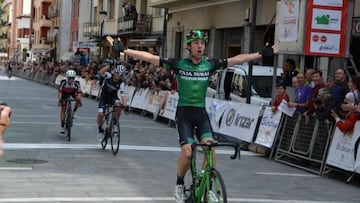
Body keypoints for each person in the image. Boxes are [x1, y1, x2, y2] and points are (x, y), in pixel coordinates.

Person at [106, 30, 280, 203]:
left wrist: (259, 54)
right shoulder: (179, 64)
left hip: (201, 114)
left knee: (210, 149)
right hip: (184, 115)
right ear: (188, 46)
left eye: (203, 43)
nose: (200, 46)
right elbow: (151, 58)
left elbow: (237, 59)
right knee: (188, 153)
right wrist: (125, 50)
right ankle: (180, 184)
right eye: (196, 43)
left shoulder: (209, 64)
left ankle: (207, 186)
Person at [96, 63, 129, 142]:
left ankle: (114, 123)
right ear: (114, 72)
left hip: (113, 98)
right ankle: (100, 129)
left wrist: (126, 106)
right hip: (104, 97)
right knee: (101, 114)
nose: (118, 76)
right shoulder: (108, 76)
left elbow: (123, 95)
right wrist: (109, 66)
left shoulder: (121, 83)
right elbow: (100, 73)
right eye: (117, 73)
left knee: (119, 106)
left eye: (121, 75)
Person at [58, 70, 82, 134]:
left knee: (79, 99)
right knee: (63, 108)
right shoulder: (63, 82)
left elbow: (79, 92)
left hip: (72, 92)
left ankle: (74, 112)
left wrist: (79, 100)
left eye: (73, 78)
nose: (71, 80)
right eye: (70, 78)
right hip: (64, 93)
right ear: (67, 78)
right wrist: (60, 100)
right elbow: (60, 92)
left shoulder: (77, 83)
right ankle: (62, 126)